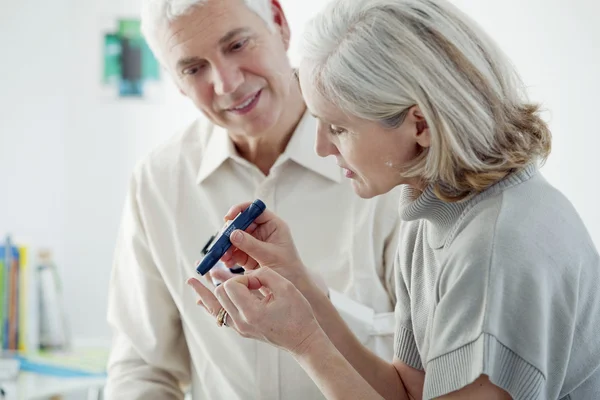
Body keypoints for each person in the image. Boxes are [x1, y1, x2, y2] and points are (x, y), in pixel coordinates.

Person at [187, 0, 600, 399]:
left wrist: (304, 343)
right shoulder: (433, 212)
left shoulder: (497, 251)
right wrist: (301, 288)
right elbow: (407, 392)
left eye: (337, 128)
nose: (321, 148)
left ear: (419, 124)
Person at [103, 0, 402, 399]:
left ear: (279, 22)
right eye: (194, 68)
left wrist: (315, 306)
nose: (226, 83)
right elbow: (142, 365)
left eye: (237, 45)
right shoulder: (158, 182)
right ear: (176, 82)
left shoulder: (388, 157)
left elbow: (431, 359)